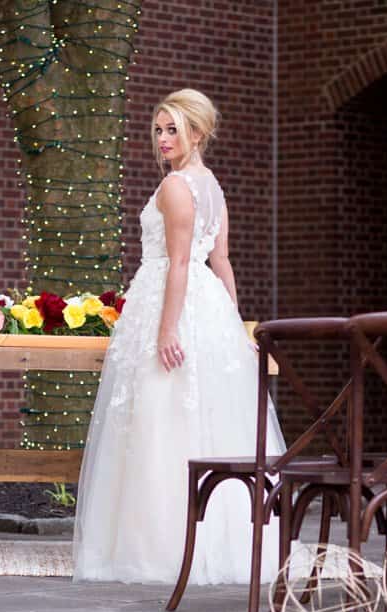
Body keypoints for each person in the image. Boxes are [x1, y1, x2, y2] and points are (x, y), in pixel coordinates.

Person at [72, 89, 287, 585]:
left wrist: (167, 328)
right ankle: (218, 543)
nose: (164, 139)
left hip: (174, 305)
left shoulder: (176, 188)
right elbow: (222, 261)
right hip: (207, 308)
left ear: (198, 133)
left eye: (174, 130)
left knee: (161, 419)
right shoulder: (212, 185)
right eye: (158, 129)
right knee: (201, 419)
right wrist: (234, 324)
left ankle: (160, 549)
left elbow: (182, 263)